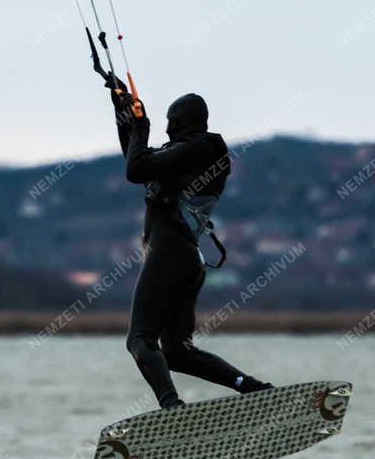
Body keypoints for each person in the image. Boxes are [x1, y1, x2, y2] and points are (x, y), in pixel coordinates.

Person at [105, 77, 273, 409]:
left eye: (169, 125)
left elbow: (136, 169)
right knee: (178, 353)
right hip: (186, 260)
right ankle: (254, 389)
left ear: (180, 124)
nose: (165, 133)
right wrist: (124, 113)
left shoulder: (201, 148)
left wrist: (142, 126)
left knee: (139, 338)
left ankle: (170, 406)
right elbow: (137, 159)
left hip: (169, 255)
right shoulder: (190, 154)